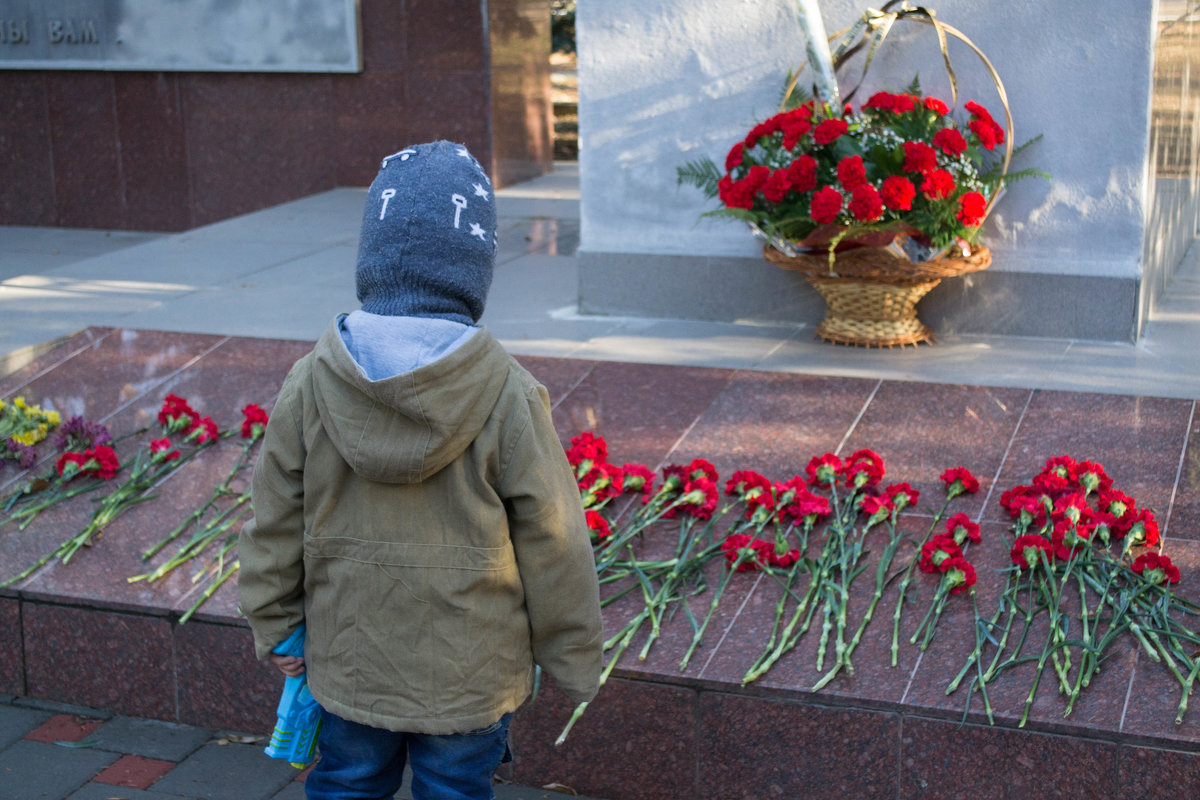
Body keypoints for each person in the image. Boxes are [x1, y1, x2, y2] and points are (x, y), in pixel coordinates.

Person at [237, 140, 604, 800]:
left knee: (348, 784)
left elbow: (274, 520)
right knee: (456, 790)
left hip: (349, 664)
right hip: (469, 675)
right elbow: (555, 540)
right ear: (475, 272)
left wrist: (276, 621)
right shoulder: (507, 394)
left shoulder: (309, 383)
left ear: (371, 260)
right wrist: (570, 655)